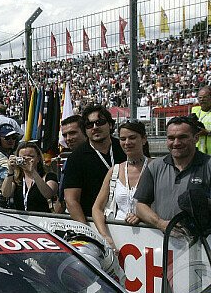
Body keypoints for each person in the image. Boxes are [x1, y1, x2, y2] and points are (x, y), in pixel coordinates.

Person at [135, 115, 211, 232]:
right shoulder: (155, 166)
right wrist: (161, 224)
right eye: (171, 138)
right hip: (163, 240)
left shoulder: (208, 165)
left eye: (182, 137)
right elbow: (140, 206)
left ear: (196, 138)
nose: (176, 143)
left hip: (204, 240)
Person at [61, 105, 126, 224]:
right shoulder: (76, 158)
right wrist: (87, 229)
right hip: (92, 221)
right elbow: (71, 201)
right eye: (89, 125)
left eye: (99, 122)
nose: (95, 127)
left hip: (125, 222)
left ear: (110, 125)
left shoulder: (124, 148)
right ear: (85, 130)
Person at [91, 120, 150, 249]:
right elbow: (97, 208)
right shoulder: (115, 171)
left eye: (132, 138)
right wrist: (105, 236)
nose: (127, 143)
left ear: (144, 139)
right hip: (117, 238)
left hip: (149, 238)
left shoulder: (156, 167)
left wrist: (143, 217)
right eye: (123, 139)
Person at [1, 141, 58, 213]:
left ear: (38, 158)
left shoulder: (48, 176)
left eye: (31, 157)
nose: (26, 160)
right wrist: (10, 171)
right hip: (21, 218)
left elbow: (48, 194)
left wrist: (33, 172)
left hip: (43, 218)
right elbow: (5, 194)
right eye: (22, 157)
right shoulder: (17, 179)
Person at [0, 123, 21, 206]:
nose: (11, 140)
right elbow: (16, 174)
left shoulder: (11, 153)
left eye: (14, 137)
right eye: (7, 138)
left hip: (12, 199)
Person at [191, 86, 211, 154]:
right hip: (198, 153)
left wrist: (207, 133)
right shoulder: (194, 111)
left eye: (205, 97)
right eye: (200, 97)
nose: (202, 99)